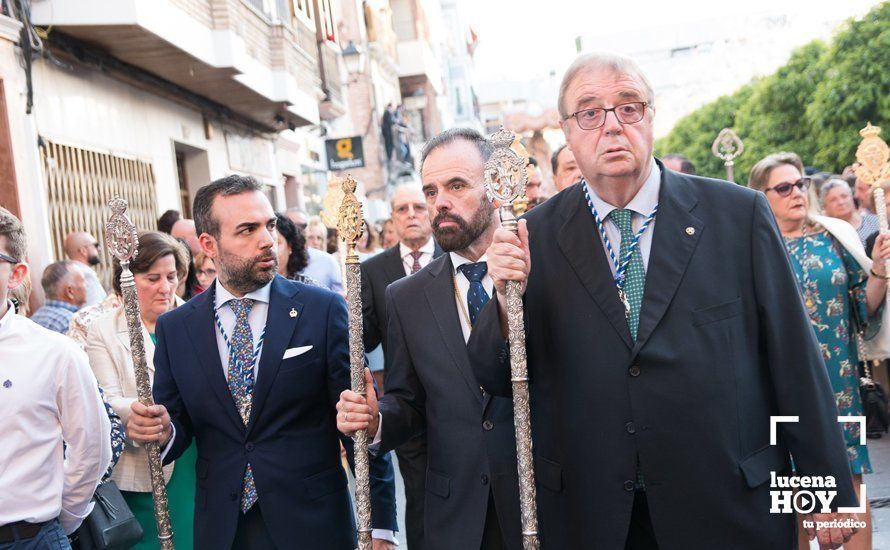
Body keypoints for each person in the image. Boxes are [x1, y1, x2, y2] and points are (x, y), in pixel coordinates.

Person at [469, 53, 860, 549]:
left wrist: (824, 496)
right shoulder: (531, 237)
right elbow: (492, 376)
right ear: (568, 130)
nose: (611, 126)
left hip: (728, 507)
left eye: (628, 106)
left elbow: (795, 363)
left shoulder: (737, 215)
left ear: (651, 117)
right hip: (594, 516)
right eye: (590, 112)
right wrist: (504, 301)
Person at [126, 175, 397, 549]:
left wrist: (380, 526)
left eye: (269, 225)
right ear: (209, 244)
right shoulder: (177, 328)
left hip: (313, 525)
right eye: (247, 230)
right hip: (224, 528)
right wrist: (161, 430)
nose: (267, 239)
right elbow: (178, 424)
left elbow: (357, 419)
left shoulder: (321, 310)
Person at [338, 128, 522, 550]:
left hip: (542, 498)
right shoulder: (406, 295)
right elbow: (408, 400)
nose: (439, 201)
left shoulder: (538, 262)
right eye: (431, 189)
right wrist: (376, 418)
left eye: (457, 185)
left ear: (495, 186)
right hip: (455, 513)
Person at [750, 153, 888, 550]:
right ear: (761, 195)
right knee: (794, 490)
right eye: (783, 187)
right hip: (780, 389)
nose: (796, 193)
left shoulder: (832, 235)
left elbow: (863, 305)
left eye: (801, 184)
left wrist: (878, 266)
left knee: (850, 480)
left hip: (839, 383)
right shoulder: (755, 247)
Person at [0, 207, 111, 547]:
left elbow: (92, 448)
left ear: (16, 274)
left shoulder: (54, 352)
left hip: (28, 539)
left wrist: (57, 519)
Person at [85, 231, 193, 549]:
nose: (165, 287)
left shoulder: (196, 319)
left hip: (193, 456)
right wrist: (144, 412)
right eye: (153, 278)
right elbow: (107, 397)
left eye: (172, 276)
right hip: (141, 462)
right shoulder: (103, 330)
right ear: (128, 281)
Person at [359, 183, 443, 549]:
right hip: (408, 402)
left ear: (430, 210)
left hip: (459, 396)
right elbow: (365, 338)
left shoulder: (453, 255)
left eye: (417, 207)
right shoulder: (374, 269)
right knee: (421, 494)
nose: (411, 214)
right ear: (392, 219)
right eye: (401, 209)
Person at [30, 260, 87, 333]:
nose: (87, 285)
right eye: (83, 281)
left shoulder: (34, 319)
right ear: (70, 291)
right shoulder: (71, 323)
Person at [820, 178, 880, 247]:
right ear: (825, 207)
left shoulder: (875, 221)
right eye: (833, 200)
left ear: (852, 197)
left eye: (844, 196)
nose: (841, 202)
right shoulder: (825, 234)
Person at [274, 213, 319, 287]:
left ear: (289, 246)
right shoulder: (249, 292)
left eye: (276, 243)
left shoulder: (311, 289)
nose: (268, 249)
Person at [64, 231, 107, 306]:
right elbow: (96, 309)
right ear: (83, 251)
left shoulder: (67, 273)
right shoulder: (85, 276)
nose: (99, 249)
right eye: (95, 245)